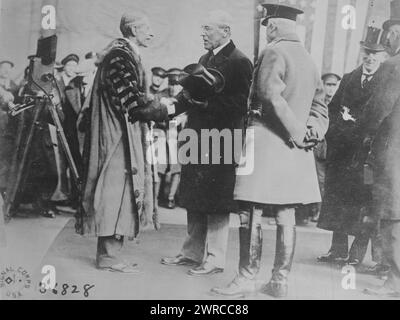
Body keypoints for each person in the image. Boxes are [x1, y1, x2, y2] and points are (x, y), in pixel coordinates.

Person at [211, 4, 328, 298]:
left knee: (250, 210)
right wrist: (310, 131)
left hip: (265, 143)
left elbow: (269, 97)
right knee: (286, 213)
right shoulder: (308, 59)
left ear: (273, 26)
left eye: (267, 27)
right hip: (295, 151)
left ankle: (246, 278)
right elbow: (319, 105)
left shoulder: (274, 52)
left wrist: (296, 132)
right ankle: (279, 281)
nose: (266, 33)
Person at [154, 10, 253, 276]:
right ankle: (191, 253)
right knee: (193, 195)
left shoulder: (240, 61)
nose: (203, 34)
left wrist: (206, 104)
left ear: (225, 31)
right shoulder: (205, 59)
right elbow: (189, 95)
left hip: (222, 139)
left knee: (217, 200)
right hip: (198, 135)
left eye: (207, 29)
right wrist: (168, 108)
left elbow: (240, 105)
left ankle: (215, 259)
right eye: (203, 29)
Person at [79, 12, 169, 273]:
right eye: (146, 28)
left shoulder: (125, 54)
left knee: (120, 192)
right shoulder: (119, 56)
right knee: (113, 192)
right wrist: (164, 108)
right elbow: (130, 100)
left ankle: (111, 254)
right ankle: (107, 257)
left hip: (122, 134)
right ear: (132, 30)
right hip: (116, 137)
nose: (151, 33)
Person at [317, 27, 390, 272]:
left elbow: (381, 118)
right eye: (367, 52)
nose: (370, 58)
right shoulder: (348, 78)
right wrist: (340, 132)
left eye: (376, 54)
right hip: (343, 151)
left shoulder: (386, 81)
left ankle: (357, 254)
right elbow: (333, 110)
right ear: (362, 53)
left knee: (365, 204)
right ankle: (337, 249)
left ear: (383, 57)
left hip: (366, 153)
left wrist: (357, 130)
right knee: (337, 199)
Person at [364, 0, 400, 297]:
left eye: (390, 33)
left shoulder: (392, 65)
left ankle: (395, 281)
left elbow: (378, 110)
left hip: (393, 151)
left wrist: (364, 136)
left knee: (392, 215)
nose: (386, 38)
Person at [154, 68, 184, 209]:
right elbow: (152, 115)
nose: (174, 87)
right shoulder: (161, 96)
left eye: (177, 84)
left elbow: (188, 116)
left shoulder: (185, 98)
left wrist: (182, 119)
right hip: (161, 135)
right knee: (159, 167)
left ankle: (171, 198)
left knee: (176, 168)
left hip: (177, 137)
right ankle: (155, 197)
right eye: (171, 83)